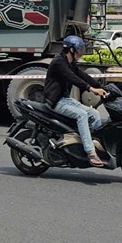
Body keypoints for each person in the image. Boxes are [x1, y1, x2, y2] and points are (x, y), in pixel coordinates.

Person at [42, 35, 107, 167]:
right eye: (80, 49)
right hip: (55, 102)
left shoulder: (70, 63)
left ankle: (99, 145)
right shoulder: (59, 62)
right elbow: (73, 78)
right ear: (71, 50)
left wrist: (101, 87)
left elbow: (82, 75)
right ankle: (91, 153)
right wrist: (91, 89)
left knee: (93, 113)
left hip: (65, 99)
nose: (81, 52)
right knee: (81, 115)